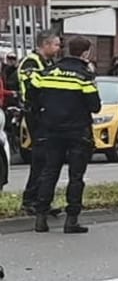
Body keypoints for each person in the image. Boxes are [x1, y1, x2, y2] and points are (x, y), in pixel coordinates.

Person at [27, 35, 100, 234]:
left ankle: (41, 219)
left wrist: (45, 111)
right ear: (86, 53)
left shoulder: (47, 71)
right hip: (77, 132)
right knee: (76, 176)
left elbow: (30, 96)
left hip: (50, 130)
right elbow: (95, 106)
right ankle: (71, 220)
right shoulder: (83, 75)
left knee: (49, 172)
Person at [18, 30, 62, 214]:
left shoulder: (48, 62)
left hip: (47, 115)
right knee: (40, 158)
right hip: (35, 114)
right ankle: (30, 200)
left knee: (48, 161)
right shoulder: (31, 62)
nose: (58, 48)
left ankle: (42, 200)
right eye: (56, 45)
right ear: (45, 44)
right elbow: (34, 87)